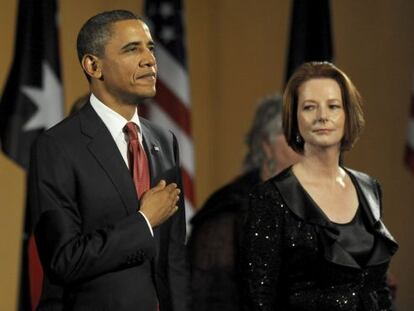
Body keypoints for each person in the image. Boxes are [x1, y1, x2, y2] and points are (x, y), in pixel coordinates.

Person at [28, 10, 189, 311]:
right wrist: (143, 222)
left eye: (150, 48)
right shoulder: (57, 146)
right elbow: (64, 259)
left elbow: (173, 258)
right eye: (132, 49)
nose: (149, 60)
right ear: (93, 65)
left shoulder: (164, 141)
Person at [241, 62, 398, 310]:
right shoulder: (270, 198)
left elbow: (379, 291)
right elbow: (260, 300)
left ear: (348, 114)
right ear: (295, 118)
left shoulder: (370, 189)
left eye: (333, 106)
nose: (322, 116)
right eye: (309, 107)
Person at [188, 95, 300, 311]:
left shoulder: (316, 203)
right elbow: (210, 297)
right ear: (267, 145)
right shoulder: (230, 209)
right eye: (293, 139)